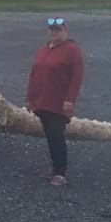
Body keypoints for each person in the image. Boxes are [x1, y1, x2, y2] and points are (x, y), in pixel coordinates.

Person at [24, 15, 84, 186]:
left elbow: (77, 77)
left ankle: (60, 173)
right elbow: (34, 74)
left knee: (57, 136)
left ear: (65, 31)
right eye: (52, 30)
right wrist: (29, 98)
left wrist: (70, 100)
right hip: (41, 101)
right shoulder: (43, 49)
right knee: (50, 136)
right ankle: (54, 168)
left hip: (58, 102)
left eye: (58, 30)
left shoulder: (72, 50)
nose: (54, 33)